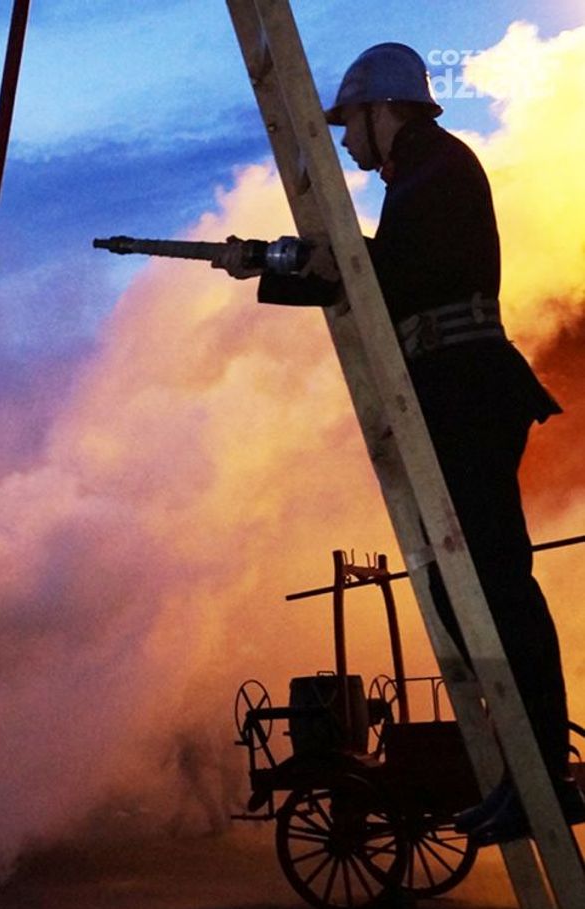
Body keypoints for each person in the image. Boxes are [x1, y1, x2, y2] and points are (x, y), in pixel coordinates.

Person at [212, 42, 578, 846]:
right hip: (452, 393)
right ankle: (524, 772)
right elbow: (380, 270)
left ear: (387, 108)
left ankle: (544, 774)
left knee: (496, 586)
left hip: (467, 390)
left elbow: (388, 274)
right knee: (460, 591)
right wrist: (275, 262)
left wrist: (289, 261)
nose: (346, 140)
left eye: (352, 123)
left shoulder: (438, 170)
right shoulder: (421, 176)